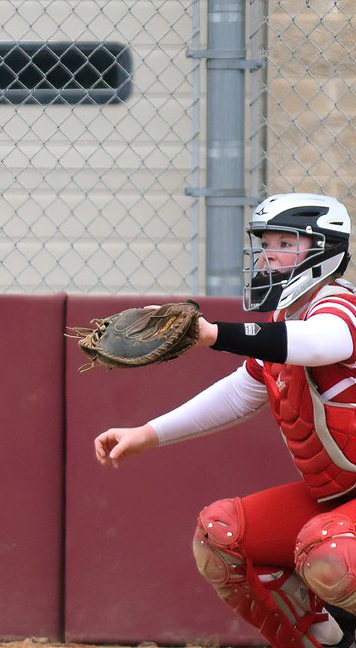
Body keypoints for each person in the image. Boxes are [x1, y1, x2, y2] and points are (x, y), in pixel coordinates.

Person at [93, 192, 356, 648]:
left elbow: (323, 343)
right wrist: (148, 433)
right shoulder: (283, 320)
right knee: (222, 535)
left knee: (328, 552)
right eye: (266, 242)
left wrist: (213, 334)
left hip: (343, 512)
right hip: (338, 499)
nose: (270, 254)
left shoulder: (338, 305)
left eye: (286, 242)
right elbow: (239, 392)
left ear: (323, 250)